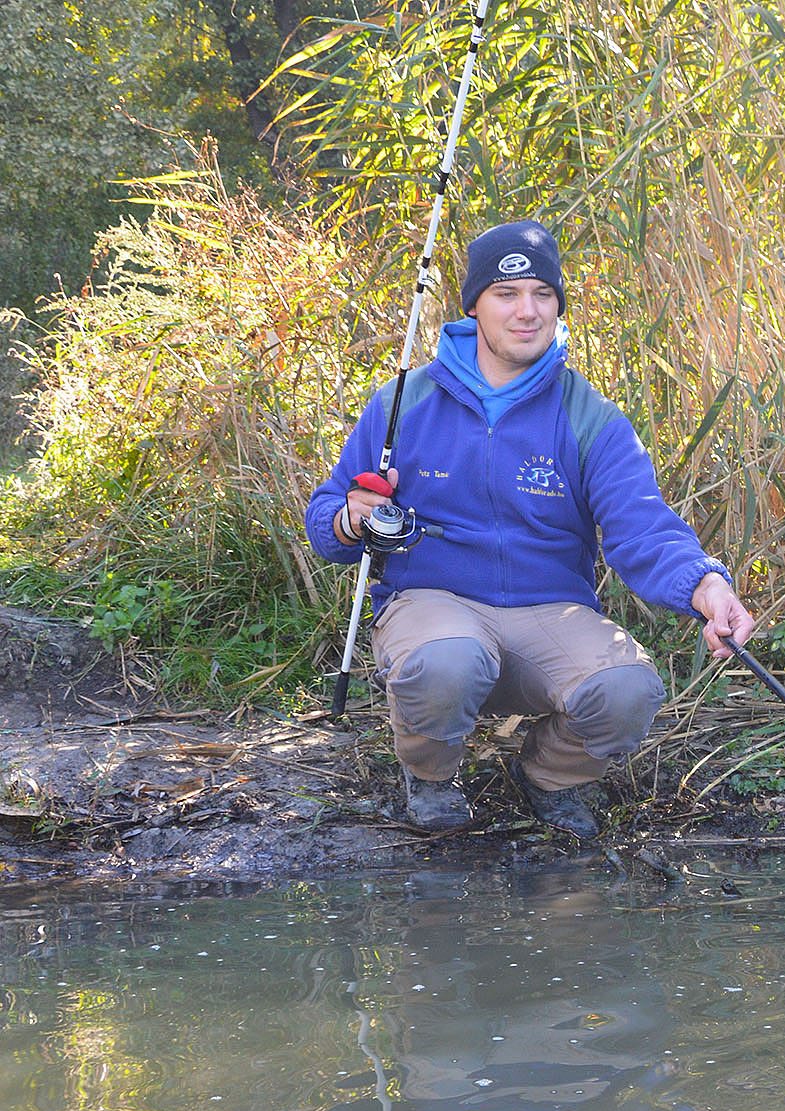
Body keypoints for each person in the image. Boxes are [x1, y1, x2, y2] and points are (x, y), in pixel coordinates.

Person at [305, 219, 754, 837]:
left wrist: (705, 587)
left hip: (550, 610)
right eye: (507, 294)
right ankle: (432, 777)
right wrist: (351, 518)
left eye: (543, 294)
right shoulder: (403, 401)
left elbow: (642, 525)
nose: (527, 311)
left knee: (628, 690)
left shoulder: (589, 414)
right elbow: (327, 519)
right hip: (432, 604)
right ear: (474, 306)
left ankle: (548, 778)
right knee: (447, 664)